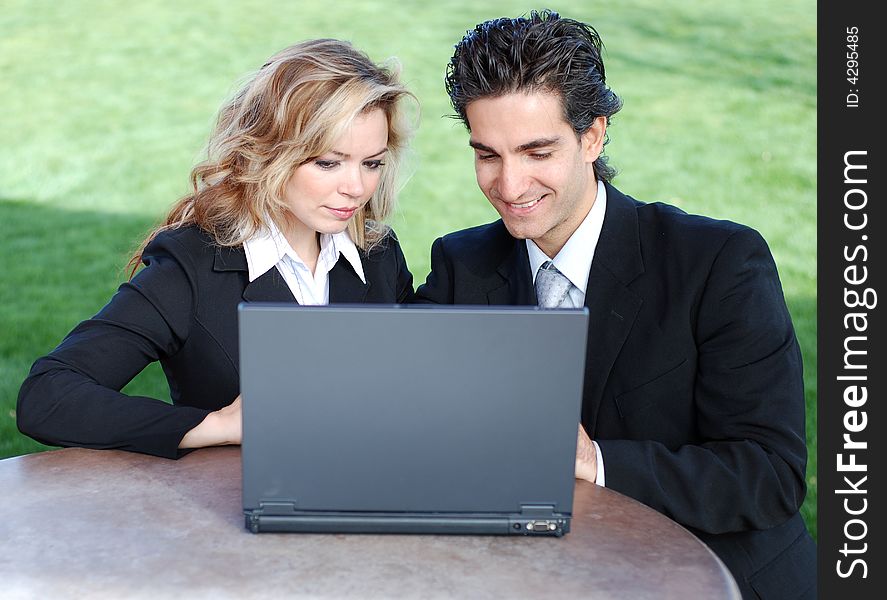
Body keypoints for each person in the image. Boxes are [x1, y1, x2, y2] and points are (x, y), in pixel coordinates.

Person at [414, 10, 815, 599]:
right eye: (487, 154)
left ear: (594, 135)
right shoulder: (460, 267)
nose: (509, 184)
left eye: (536, 152)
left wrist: (597, 462)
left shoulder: (718, 262)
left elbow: (768, 475)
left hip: (714, 579)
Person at [18, 39, 414, 459]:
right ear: (269, 153)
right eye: (328, 162)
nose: (356, 188)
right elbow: (47, 395)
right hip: (232, 507)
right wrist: (219, 426)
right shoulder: (189, 266)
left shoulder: (379, 254)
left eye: (371, 163)